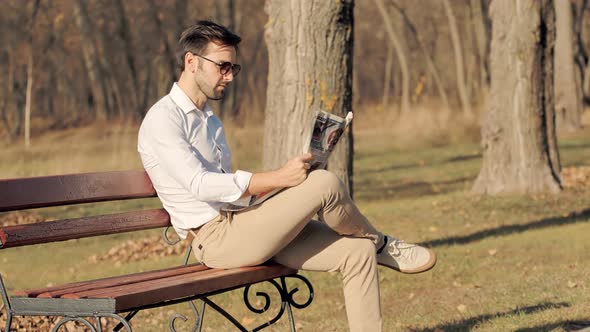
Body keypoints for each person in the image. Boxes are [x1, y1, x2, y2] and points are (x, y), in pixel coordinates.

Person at [138, 20, 436, 332]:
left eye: (233, 69)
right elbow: (200, 184)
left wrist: (287, 184)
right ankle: (380, 243)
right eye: (223, 66)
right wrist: (279, 178)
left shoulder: (210, 121)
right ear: (191, 61)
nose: (229, 76)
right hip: (215, 240)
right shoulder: (163, 120)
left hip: (244, 222)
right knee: (325, 184)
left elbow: (231, 191)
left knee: (356, 251)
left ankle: (369, 246)